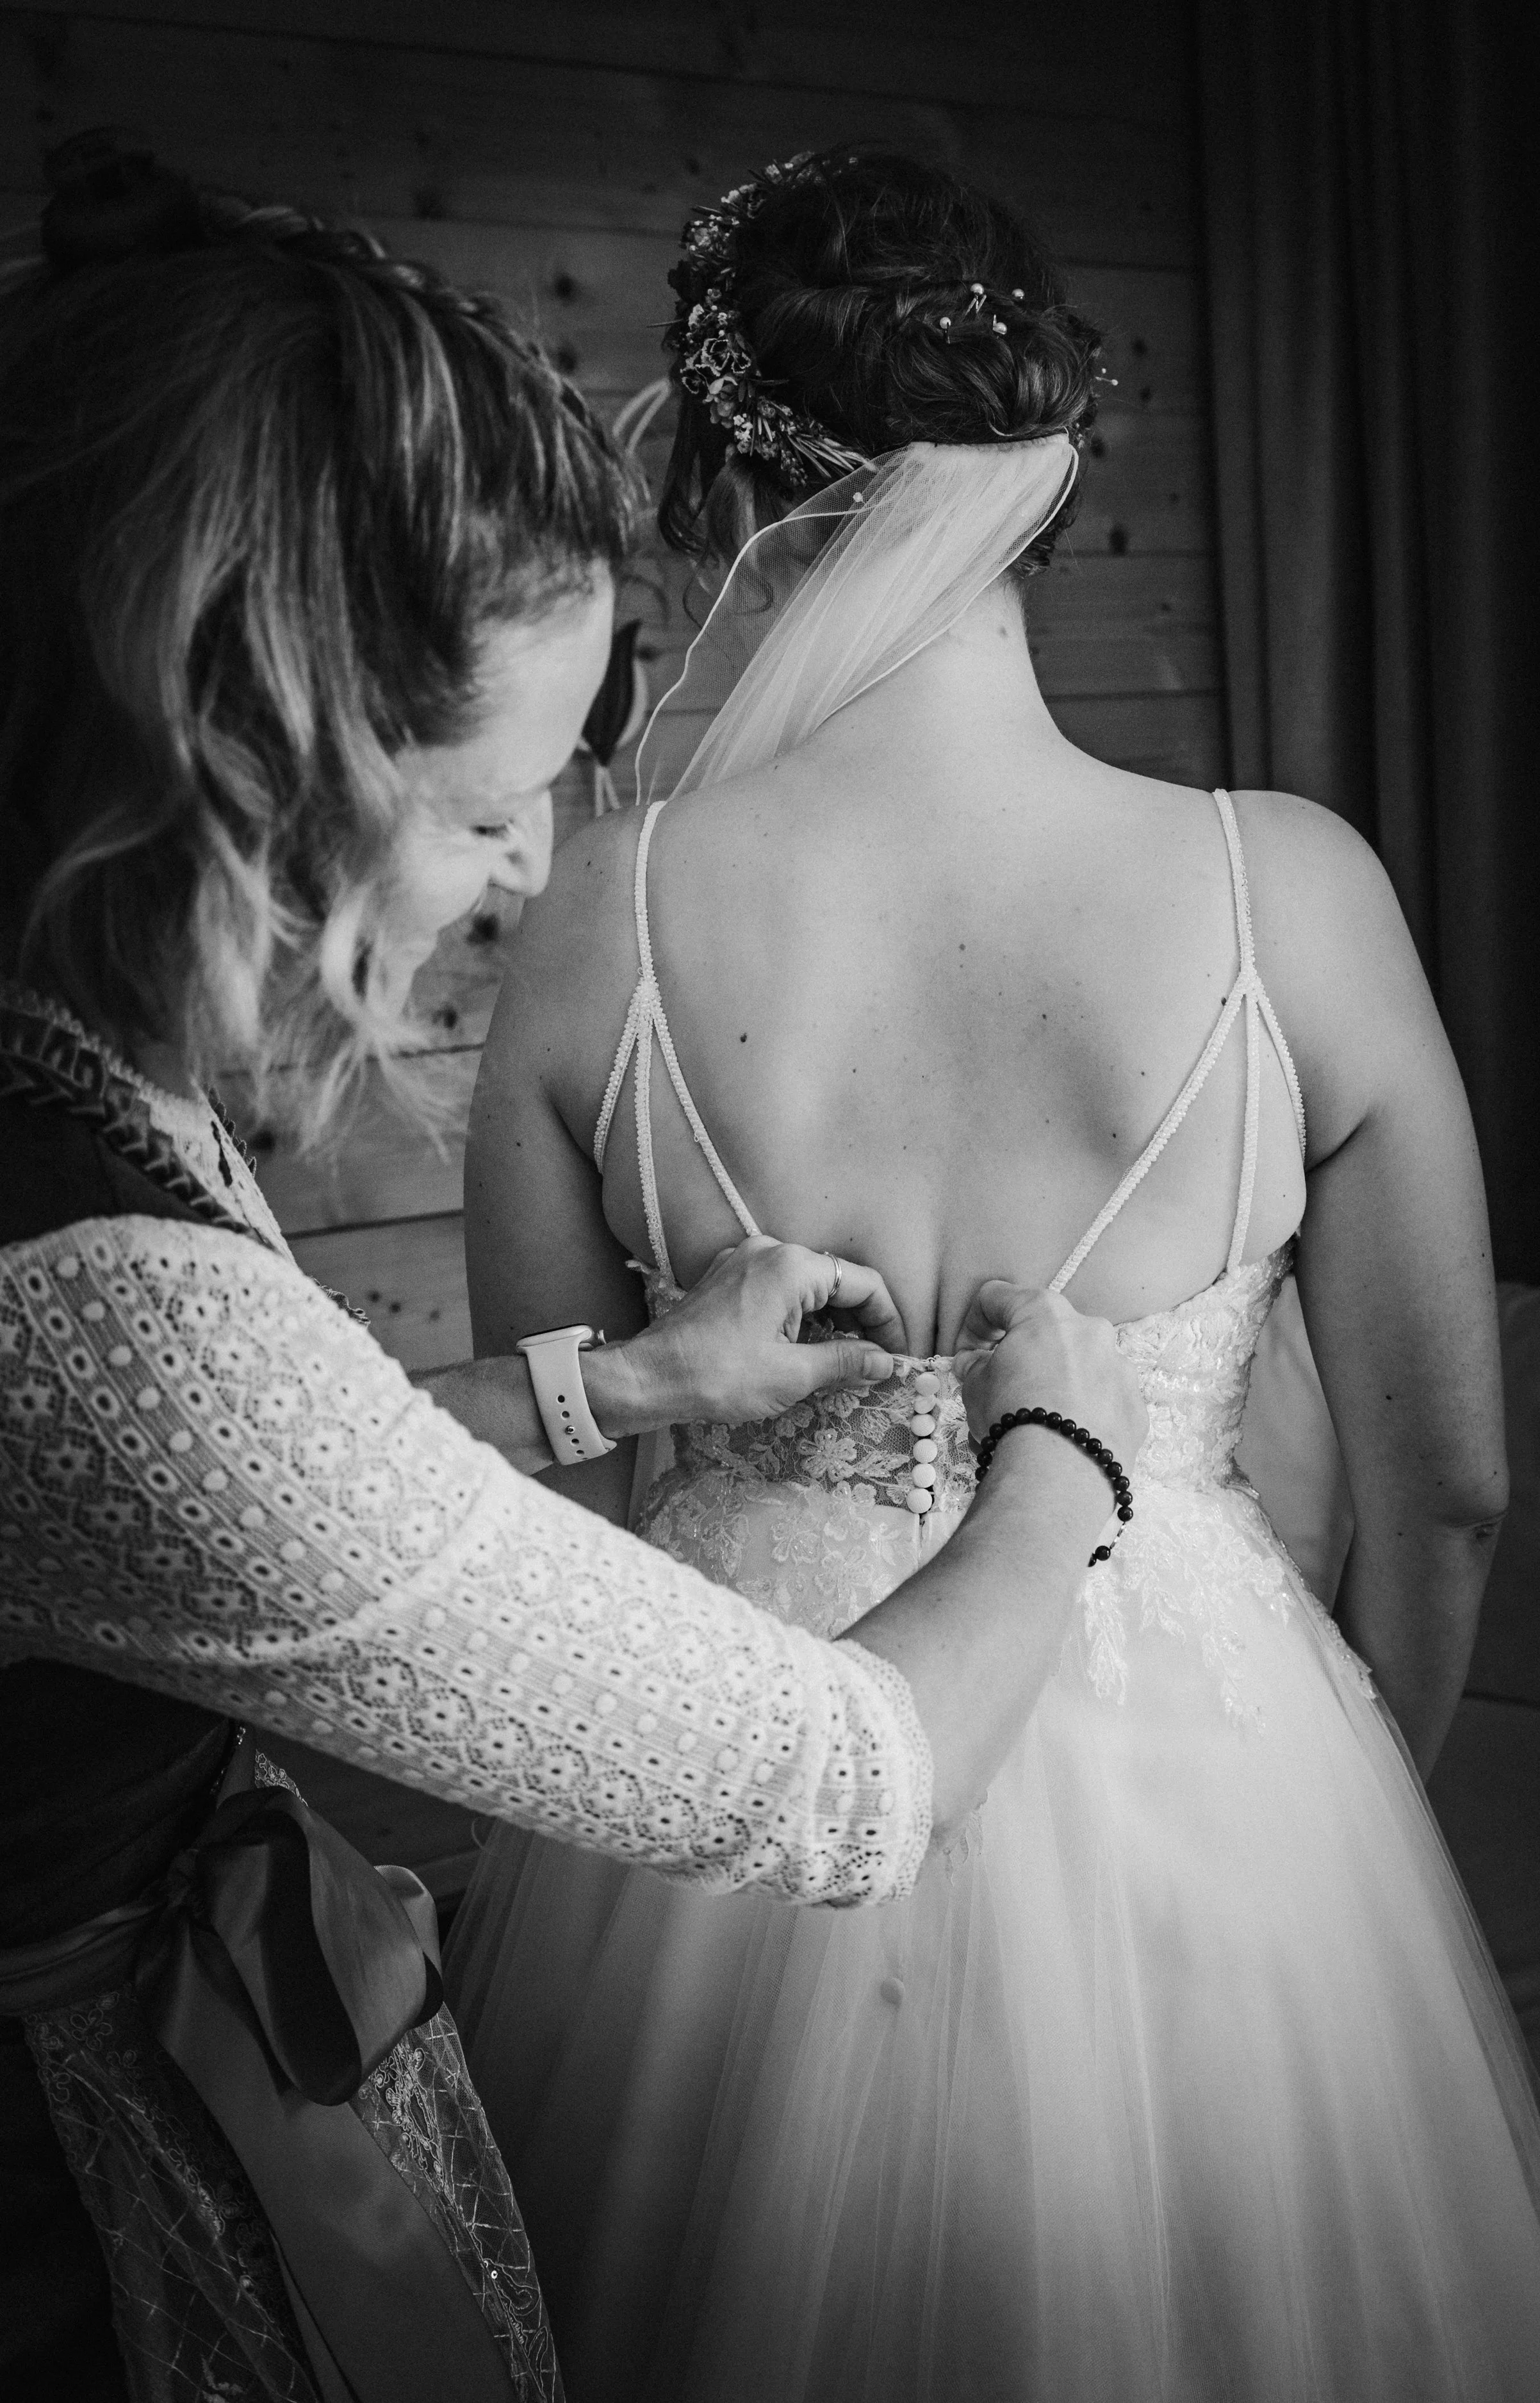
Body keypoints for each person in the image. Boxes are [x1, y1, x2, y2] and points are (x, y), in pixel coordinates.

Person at [448, 149, 1540, 2400]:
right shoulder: (1289, 892)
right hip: (1213, 1778)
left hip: (750, 1785)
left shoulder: (607, 914)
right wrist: (1344, 1813)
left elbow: (563, 1482)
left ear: (725, 493)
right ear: (1044, 473)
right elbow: (1449, 1485)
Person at [0, 139, 1147, 2403]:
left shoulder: (73, 1057)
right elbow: (842, 1782)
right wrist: (1062, 1461)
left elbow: (192, 1508)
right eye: (480, 802)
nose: (538, 866)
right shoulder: (87, 1294)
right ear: (239, 749)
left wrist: (614, 1385)